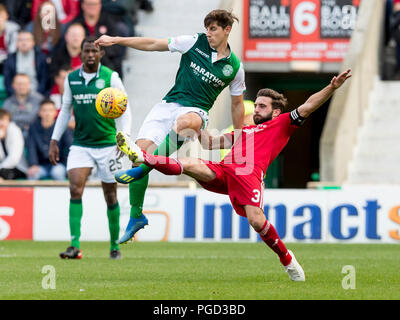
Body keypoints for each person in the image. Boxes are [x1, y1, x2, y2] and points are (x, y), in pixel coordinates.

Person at [116, 69, 352, 282]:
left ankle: (287, 259)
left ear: (275, 111)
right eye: (256, 105)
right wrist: (199, 120)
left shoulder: (282, 124)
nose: (256, 109)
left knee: (257, 221)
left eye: (262, 106)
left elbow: (309, 105)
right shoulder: (243, 131)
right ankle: (142, 157)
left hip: (249, 176)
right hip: (225, 171)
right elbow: (209, 143)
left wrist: (332, 87)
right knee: (189, 163)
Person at [95, 9, 246, 244]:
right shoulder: (193, 42)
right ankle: (136, 216)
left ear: (227, 30)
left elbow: (237, 104)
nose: (208, 33)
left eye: (213, 28)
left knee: (187, 123)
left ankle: (144, 168)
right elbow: (154, 43)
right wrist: (116, 40)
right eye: (207, 28)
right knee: (138, 155)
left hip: (196, 111)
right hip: (167, 105)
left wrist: (239, 134)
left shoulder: (234, 68)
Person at [48, 36, 132, 260]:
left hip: (108, 145)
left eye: (94, 51)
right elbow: (65, 109)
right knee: (75, 188)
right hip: (81, 145)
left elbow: (125, 108)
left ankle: (115, 246)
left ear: (101, 54)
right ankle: (74, 246)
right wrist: (54, 139)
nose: (90, 55)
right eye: (87, 51)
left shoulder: (110, 77)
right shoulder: (72, 78)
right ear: (81, 54)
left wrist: (124, 137)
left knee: (110, 196)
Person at [72, 0, 124, 77]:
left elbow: (116, 44)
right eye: (89, 4)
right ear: (83, 5)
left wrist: (98, 52)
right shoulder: (77, 23)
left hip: (107, 60)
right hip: (83, 62)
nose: (92, 7)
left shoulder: (108, 20)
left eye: (95, 4)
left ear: (100, 5)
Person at [27, 99, 72, 180]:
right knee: (32, 174)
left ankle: (62, 193)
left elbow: (70, 147)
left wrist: (67, 164)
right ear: (39, 112)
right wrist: (33, 164)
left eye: (50, 110)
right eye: (44, 110)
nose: (47, 113)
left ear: (55, 112)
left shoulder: (63, 128)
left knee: (57, 173)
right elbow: (31, 147)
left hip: (59, 164)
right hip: (40, 164)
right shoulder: (33, 128)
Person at [3, 30, 49, 96]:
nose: (24, 43)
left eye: (27, 40)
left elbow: (44, 81)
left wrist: (38, 95)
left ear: (33, 42)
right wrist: (16, 96)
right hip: (16, 96)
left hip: (37, 94)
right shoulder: (10, 59)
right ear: (16, 43)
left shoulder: (41, 58)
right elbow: (7, 82)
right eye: (20, 40)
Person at [2, 73, 44, 140]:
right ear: (13, 85)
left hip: (34, 134)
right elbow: (4, 120)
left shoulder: (39, 100)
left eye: (24, 84)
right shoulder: (8, 103)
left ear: (29, 85)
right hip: (13, 134)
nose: (21, 87)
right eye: (18, 84)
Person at [0, 109, 27, 180]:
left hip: (18, 168)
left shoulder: (14, 131)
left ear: (9, 120)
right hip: (3, 167)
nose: (1, 123)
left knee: (4, 173)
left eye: (3, 120)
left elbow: (14, 159)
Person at [0, 4, 20, 73]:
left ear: (6, 16)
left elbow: (13, 50)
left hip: (7, 61)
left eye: (1, 16)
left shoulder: (13, 29)